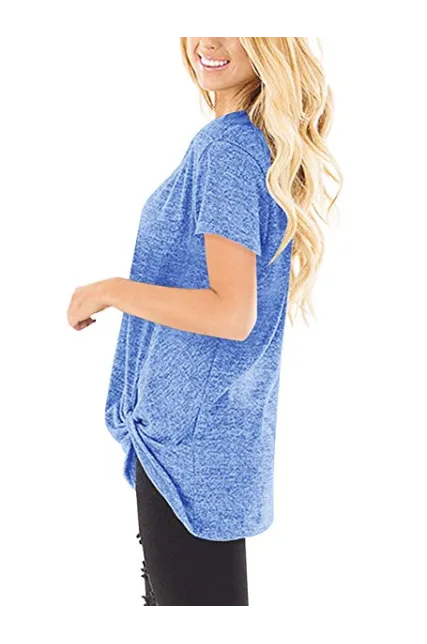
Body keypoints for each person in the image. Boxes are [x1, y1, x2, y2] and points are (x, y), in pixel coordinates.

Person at [67, 34, 342, 608]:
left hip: (186, 449)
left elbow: (232, 312)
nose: (209, 40)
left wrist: (110, 291)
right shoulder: (249, 145)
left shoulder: (228, 150)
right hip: (202, 443)